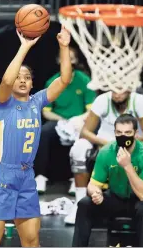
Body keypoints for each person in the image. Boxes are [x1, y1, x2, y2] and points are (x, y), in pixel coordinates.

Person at [0, 26, 72, 247]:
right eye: (19, 77)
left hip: (26, 176)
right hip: (1, 175)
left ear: (32, 83)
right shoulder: (3, 103)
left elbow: (65, 79)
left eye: (27, 77)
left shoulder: (37, 101)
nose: (22, 80)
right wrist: (24, 47)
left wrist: (64, 47)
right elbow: (5, 82)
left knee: (32, 242)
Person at [64, 89, 143, 224]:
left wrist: (129, 144)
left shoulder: (139, 100)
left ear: (129, 89)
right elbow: (85, 132)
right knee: (79, 148)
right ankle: (79, 202)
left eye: (121, 89)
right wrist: (107, 144)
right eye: (114, 90)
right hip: (105, 144)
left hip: (133, 145)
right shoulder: (102, 100)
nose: (117, 93)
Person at [72, 113, 143, 247]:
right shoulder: (106, 152)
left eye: (127, 132)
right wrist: (95, 193)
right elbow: (92, 185)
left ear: (135, 133)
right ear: (114, 133)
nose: (123, 136)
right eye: (119, 132)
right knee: (84, 204)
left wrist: (127, 166)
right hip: (118, 197)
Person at [34, 46, 96, 194]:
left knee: (84, 136)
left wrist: (76, 120)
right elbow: (46, 112)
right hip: (59, 121)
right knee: (42, 132)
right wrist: (63, 121)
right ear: (58, 60)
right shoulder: (51, 82)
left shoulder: (85, 80)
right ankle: (40, 177)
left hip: (80, 121)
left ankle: (77, 180)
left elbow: (90, 110)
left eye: (71, 57)